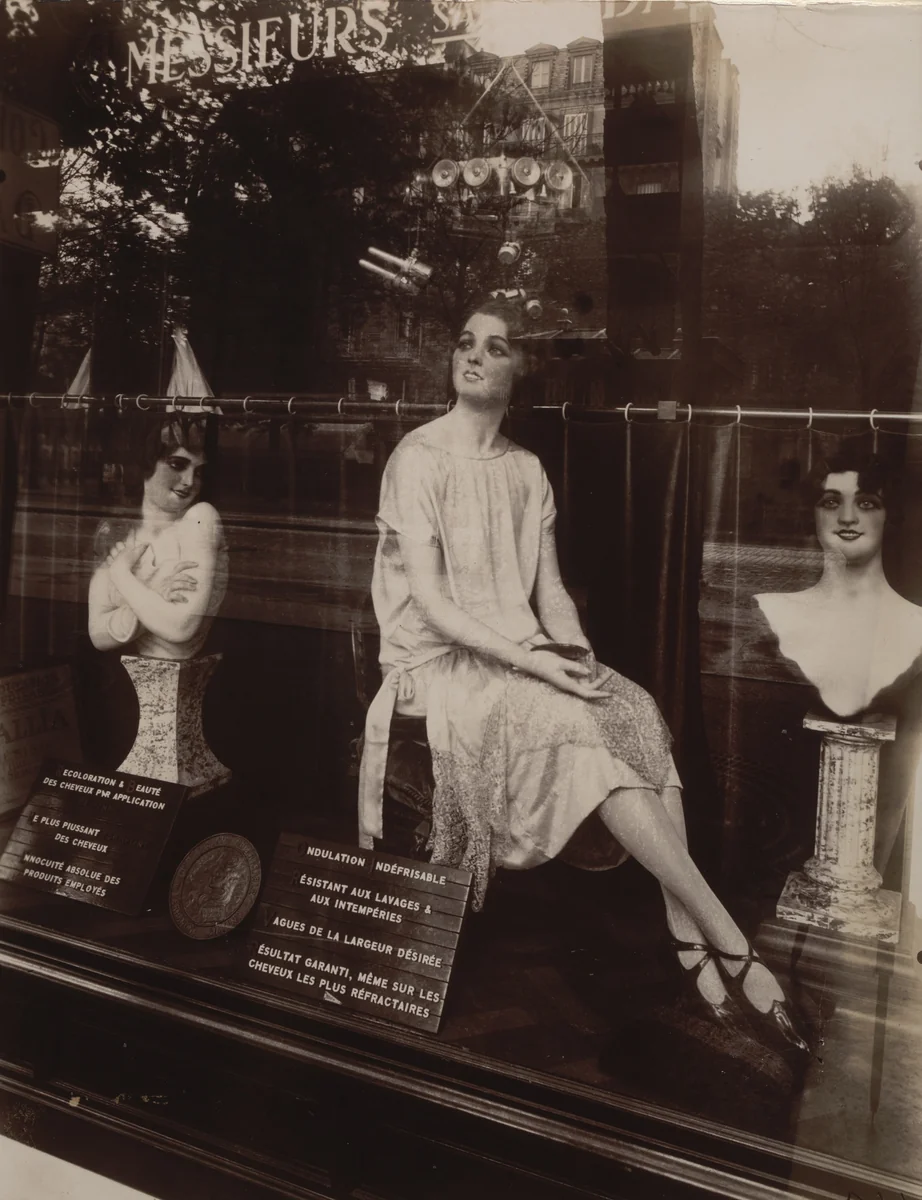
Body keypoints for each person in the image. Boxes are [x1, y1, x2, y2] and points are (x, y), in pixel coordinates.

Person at [358, 295, 808, 1054]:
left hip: (522, 651)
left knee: (636, 716)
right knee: (583, 736)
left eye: (495, 347)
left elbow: (551, 592)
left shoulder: (528, 471)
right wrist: (537, 663)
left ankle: (686, 941)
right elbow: (431, 606)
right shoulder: (417, 458)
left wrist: (577, 655)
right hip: (437, 668)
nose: (473, 354)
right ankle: (730, 941)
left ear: (520, 369)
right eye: (466, 342)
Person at [754, 451, 922, 876]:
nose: (848, 517)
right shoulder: (774, 611)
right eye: (831, 502)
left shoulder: (916, 626)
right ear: (813, 514)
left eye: (867, 502)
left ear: (890, 516)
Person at [88, 417, 228, 660]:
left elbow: (180, 627)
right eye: (177, 465)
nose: (189, 481)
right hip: (122, 679)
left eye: (199, 472)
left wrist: (121, 574)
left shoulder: (199, 519)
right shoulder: (119, 532)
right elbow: (98, 635)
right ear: (145, 465)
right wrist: (155, 594)